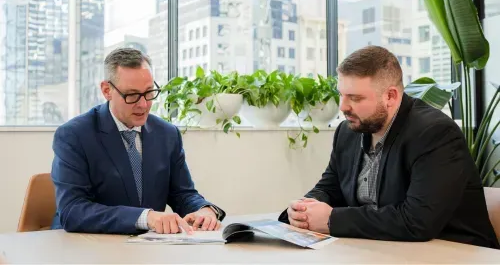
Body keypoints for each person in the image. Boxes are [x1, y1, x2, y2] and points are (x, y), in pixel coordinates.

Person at [278, 45, 499, 249]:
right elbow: (330, 188)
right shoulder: (348, 132)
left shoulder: (436, 133)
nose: (343, 107)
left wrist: (330, 219)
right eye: (341, 94)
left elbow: (417, 221)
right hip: (382, 249)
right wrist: (304, 209)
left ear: (390, 96)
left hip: (454, 253)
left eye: (355, 97)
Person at [51, 47, 225, 234]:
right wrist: (145, 217)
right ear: (107, 90)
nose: (143, 104)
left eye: (149, 92)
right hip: (85, 249)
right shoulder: (74, 135)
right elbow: (72, 211)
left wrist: (203, 210)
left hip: (146, 249)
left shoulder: (167, 134)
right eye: (132, 95)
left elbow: (182, 193)